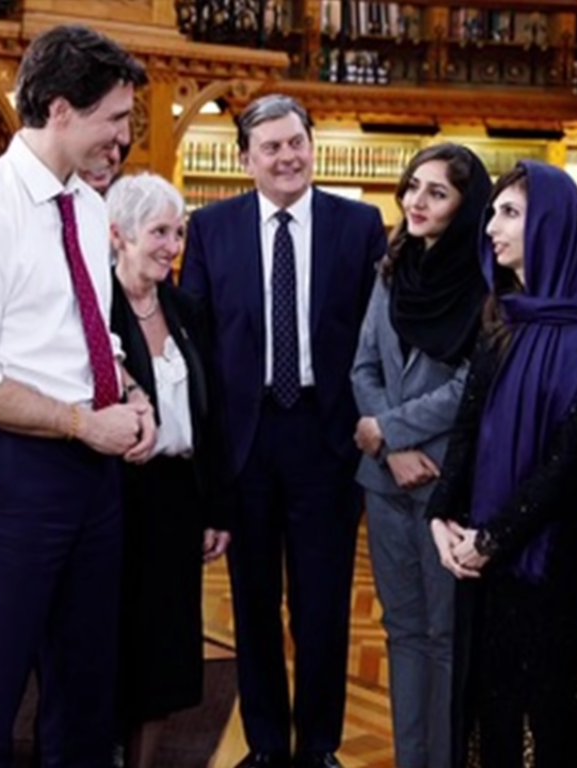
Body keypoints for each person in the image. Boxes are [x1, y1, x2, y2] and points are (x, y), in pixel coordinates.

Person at [0, 24, 151, 766]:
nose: (125, 136)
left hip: (90, 477)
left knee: (87, 692)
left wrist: (127, 389)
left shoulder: (86, 205)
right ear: (60, 109)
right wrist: (81, 424)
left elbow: (83, 328)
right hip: (10, 475)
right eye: (115, 118)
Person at [181, 93, 387, 768]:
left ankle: (319, 747)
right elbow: (199, 342)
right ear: (247, 159)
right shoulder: (211, 228)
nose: (286, 156)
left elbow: (375, 337)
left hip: (326, 441)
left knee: (323, 607)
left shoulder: (359, 227)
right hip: (243, 443)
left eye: (295, 142)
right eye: (269, 147)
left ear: (312, 146)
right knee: (254, 603)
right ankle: (267, 746)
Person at [427, 161, 577, 767]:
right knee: (485, 705)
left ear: (548, 226)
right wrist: (442, 518)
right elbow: (467, 426)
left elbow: (564, 464)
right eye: (492, 211)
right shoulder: (503, 315)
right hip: (480, 554)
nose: (491, 225)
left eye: (510, 213)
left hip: (544, 556)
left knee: (543, 710)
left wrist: (491, 539)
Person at [349, 143, 489, 768]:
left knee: (444, 638)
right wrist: (389, 447)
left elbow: (471, 387)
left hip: (447, 482)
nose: (417, 201)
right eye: (413, 186)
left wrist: (390, 432)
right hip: (385, 483)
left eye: (437, 192)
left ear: (466, 207)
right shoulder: (392, 268)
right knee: (401, 633)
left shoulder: (488, 283)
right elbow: (364, 365)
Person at [106, 172, 228, 768]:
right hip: (110, 499)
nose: (171, 246)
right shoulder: (90, 309)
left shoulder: (186, 308)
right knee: (105, 643)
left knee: (163, 649)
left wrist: (215, 510)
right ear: (118, 235)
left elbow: (212, 416)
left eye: (177, 232)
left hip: (177, 501)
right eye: (158, 231)